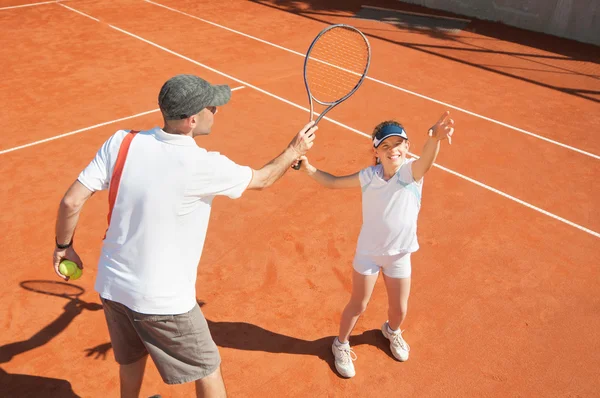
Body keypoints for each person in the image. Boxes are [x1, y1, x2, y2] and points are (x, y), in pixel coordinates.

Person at [52, 74, 317, 398]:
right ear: (193, 119)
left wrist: (63, 248)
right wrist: (294, 150)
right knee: (208, 369)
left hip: (112, 286)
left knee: (131, 358)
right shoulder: (202, 165)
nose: (216, 112)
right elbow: (262, 179)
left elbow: (71, 201)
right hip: (163, 301)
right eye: (212, 107)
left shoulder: (122, 141)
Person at [293, 111, 454, 378]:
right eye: (385, 146)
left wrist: (435, 138)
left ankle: (391, 331)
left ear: (407, 147)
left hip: (400, 254)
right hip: (368, 254)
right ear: (376, 151)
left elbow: (428, 159)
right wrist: (309, 169)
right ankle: (340, 344)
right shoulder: (369, 176)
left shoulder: (412, 172)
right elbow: (333, 182)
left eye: (398, 144)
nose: (393, 150)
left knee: (399, 309)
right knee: (358, 304)